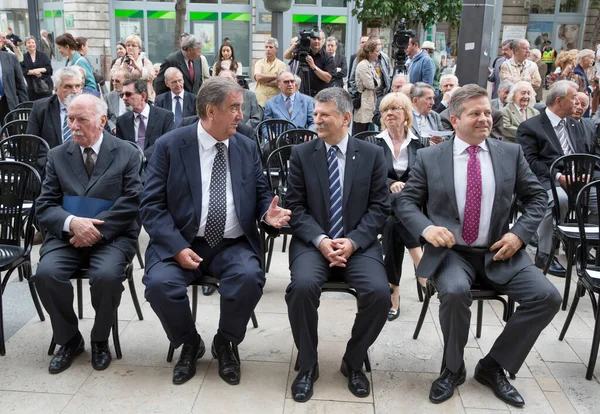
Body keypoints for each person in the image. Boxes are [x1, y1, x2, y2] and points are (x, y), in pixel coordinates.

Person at [398, 84, 560, 407]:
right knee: (456, 292)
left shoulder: (509, 154)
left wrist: (519, 234)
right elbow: (405, 204)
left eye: (488, 112)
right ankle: (452, 368)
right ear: (455, 120)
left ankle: (493, 366)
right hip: (452, 254)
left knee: (548, 297)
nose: (485, 119)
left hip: (499, 251)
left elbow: (537, 197)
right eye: (476, 113)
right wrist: (427, 229)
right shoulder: (431, 158)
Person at [141, 77, 291, 385]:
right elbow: (151, 205)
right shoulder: (171, 145)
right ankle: (188, 342)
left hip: (231, 243)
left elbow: (262, 191)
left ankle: (226, 341)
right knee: (159, 284)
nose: (241, 114)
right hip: (181, 240)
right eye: (234, 107)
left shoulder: (246, 146)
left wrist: (267, 212)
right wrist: (175, 247)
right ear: (211, 111)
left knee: (249, 277)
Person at [285, 87, 390, 402]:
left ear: (346, 118)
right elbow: (296, 208)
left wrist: (354, 241)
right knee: (301, 287)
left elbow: (380, 207)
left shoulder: (371, 154)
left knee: (379, 294)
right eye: (315, 114)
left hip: (359, 244)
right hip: (313, 243)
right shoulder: (302, 154)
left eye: (324, 115)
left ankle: (353, 360)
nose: (317, 120)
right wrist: (321, 240)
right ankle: (307, 364)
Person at [32, 94, 143, 374]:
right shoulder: (58, 155)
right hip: (66, 237)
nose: (74, 125)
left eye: (81, 119)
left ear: (102, 120)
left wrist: (93, 229)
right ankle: (69, 339)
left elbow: (132, 201)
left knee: (106, 276)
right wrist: (72, 224)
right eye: (70, 118)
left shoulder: (127, 153)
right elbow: (44, 205)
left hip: (113, 236)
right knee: (45, 274)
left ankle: (100, 339)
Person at [516, 80, 591, 277]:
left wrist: (586, 174)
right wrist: (559, 176)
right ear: (559, 101)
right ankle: (546, 255)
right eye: (573, 98)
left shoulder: (576, 125)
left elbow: (584, 153)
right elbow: (529, 161)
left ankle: (584, 249)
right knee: (560, 200)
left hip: (579, 181)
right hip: (547, 179)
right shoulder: (531, 127)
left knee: (597, 197)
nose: (578, 103)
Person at [375, 92, 423, 321]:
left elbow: (424, 178)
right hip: (382, 203)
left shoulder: (419, 143)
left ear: (406, 115)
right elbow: (370, 178)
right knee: (394, 217)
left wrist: (407, 188)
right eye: (385, 110)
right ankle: (420, 261)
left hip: (412, 204)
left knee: (394, 223)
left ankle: (394, 293)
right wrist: (391, 183)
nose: (389, 114)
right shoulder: (373, 143)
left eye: (395, 109)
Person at [115, 79, 175, 163]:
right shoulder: (121, 121)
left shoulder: (165, 117)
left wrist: (142, 156)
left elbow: (167, 143)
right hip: (132, 169)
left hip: (158, 166)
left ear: (143, 96)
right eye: (122, 95)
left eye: (128, 94)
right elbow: (121, 148)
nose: (124, 98)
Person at [27, 67, 83, 154]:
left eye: (77, 86)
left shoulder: (91, 108)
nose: (74, 91)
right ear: (56, 89)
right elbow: (32, 142)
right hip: (51, 163)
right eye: (68, 87)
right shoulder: (40, 108)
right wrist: (52, 162)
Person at [289, 29, 334, 96]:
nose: (316, 41)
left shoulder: (327, 57)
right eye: (314, 38)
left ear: (323, 41)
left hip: (320, 95)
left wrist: (313, 67)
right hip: (303, 93)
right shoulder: (304, 52)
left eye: (319, 39)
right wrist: (293, 47)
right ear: (309, 40)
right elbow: (286, 56)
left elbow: (328, 78)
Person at [111, 34, 155, 101]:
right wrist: (122, 67)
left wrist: (137, 67)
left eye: (134, 45)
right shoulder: (120, 61)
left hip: (142, 98)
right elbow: (112, 75)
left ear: (139, 49)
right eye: (128, 45)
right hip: (124, 97)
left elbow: (151, 75)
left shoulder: (145, 61)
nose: (130, 48)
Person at [353, 39, 381, 134]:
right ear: (370, 52)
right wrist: (376, 81)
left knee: (368, 130)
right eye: (377, 51)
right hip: (363, 103)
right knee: (361, 131)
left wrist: (376, 81)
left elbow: (378, 81)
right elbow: (370, 84)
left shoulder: (369, 64)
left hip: (369, 102)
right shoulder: (362, 65)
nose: (378, 53)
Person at [0, 32, 28, 126]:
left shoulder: (10, 58)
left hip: (8, 102)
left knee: (12, 133)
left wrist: (24, 105)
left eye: (2, 38)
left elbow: (20, 83)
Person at [254, 38, 287, 107]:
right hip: (260, 101)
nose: (268, 49)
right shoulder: (259, 63)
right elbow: (258, 77)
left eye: (271, 47)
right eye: (266, 47)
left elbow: (281, 82)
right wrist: (276, 76)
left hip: (275, 101)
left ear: (276, 49)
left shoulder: (282, 65)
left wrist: (265, 81)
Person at [410, 82, 444, 147]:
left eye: (433, 98)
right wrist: (427, 143)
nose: (433, 103)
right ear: (415, 100)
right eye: (429, 98)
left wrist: (441, 140)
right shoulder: (405, 116)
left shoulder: (435, 116)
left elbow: (445, 136)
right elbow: (408, 138)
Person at [21, 36, 54, 101]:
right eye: (29, 43)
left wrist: (38, 70)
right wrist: (33, 72)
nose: (31, 44)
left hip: (44, 86)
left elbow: (49, 69)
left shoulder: (43, 55)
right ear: (26, 45)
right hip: (30, 87)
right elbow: (22, 70)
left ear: (36, 44)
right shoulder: (23, 57)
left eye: (33, 42)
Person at [104, 68, 129, 135]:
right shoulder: (108, 97)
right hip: (114, 133)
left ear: (127, 81)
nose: (114, 83)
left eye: (117, 81)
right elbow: (105, 117)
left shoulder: (133, 95)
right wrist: (113, 128)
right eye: (113, 81)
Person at [572, 49, 596, 117]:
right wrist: (592, 87)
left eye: (593, 59)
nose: (593, 60)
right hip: (579, 110)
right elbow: (581, 93)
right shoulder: (578, 73)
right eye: (591, 58)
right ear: (583, 59)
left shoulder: (582, 71)